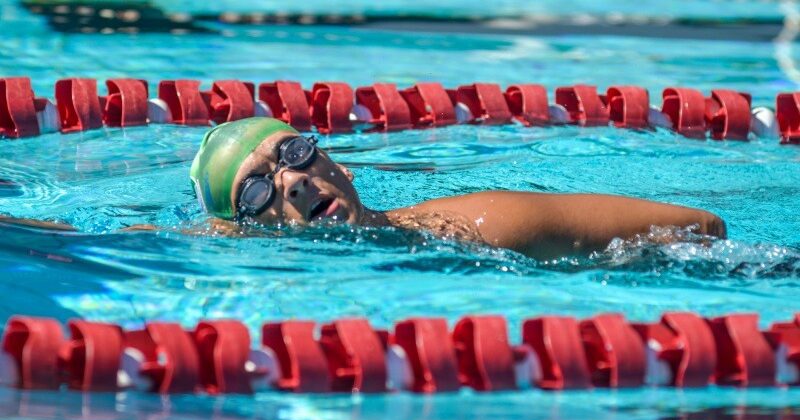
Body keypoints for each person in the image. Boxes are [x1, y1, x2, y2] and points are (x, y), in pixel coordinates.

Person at [189, 117, 726, 260]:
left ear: (340, 167)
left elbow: (703, 227)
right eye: (256, 193)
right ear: (241, 233)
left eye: (294, 153)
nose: (293, 182)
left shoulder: (481, 225)